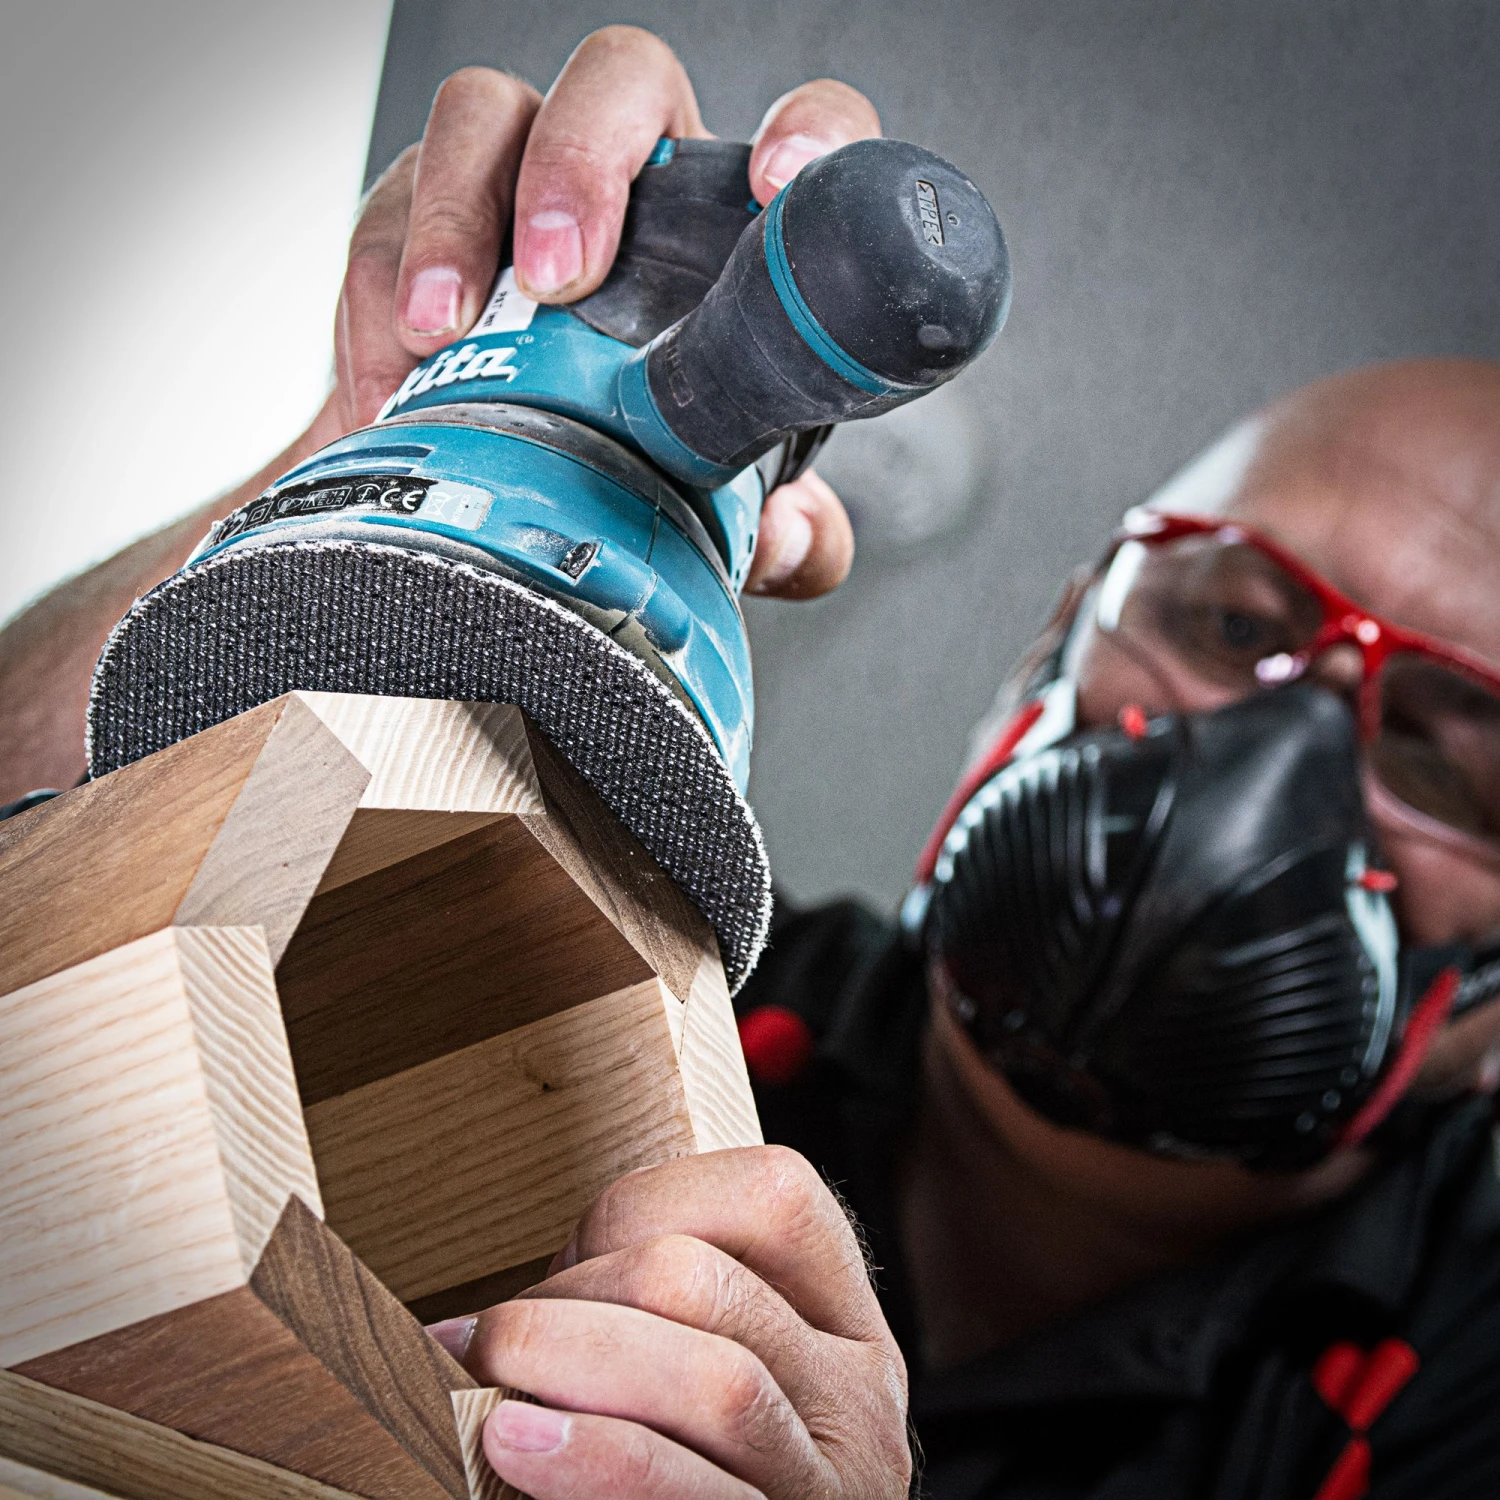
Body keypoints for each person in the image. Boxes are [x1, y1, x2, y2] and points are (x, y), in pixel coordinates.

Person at [3, 26, 1498, 1500]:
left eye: (1447, 762)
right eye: (1233, 623)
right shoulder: (646, 956)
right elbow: (41, 946)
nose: (1270, 766)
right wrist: (383, 454)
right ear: (1047, 652)